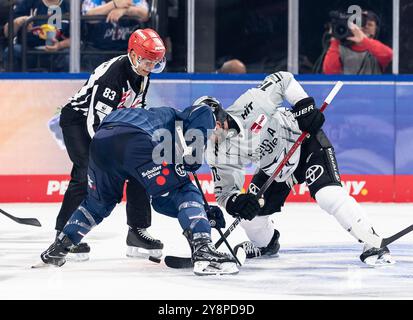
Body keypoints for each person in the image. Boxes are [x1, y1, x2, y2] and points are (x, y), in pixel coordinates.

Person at [204, 71, 394, 266]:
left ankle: (372, 240)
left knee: (328, 195)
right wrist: (237, 202)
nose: (214, 132)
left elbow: (283, 79)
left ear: (220, 114)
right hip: (274, 170)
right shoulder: (217, 153)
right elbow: (225, 193)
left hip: (306, 143)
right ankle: (267, 244)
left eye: (214, 124)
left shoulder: (252, 102)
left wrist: (304, 106)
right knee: (248, 219)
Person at [39, 103, 237, 276]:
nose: (219, 138)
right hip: (135, 138)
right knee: (185, 190)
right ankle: (203, 249)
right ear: (219, 123)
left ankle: (59, 247)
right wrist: (193, 161)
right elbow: (201, 118)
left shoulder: (162, 126)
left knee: (97, 203)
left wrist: (200, 212)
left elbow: (161, 200)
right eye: (225, 131)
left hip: (102, 141)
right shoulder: (204, 112)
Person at [56, 28, 166, 261]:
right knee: (86, 170)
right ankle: (63, 236)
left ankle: (137, 230)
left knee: (142, 167)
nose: (150, 67)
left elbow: (137, 110)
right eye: (147, 61)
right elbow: (94, 122)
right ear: (134, 55)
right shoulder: (113, 76)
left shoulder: (142, 72)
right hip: (78, 122)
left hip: (112, 125)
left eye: (154, 62)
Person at [81, 0, 150, 71]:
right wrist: (114, 4)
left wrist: (125, 10)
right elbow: (87, 15)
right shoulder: (94, 1)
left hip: (127, 51)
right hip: (98, 50)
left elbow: (145, 14)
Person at [3, 0, 70, 72]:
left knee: (69, 58)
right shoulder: (27, 3)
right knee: (12, 51)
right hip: (29, 51)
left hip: (58, 53)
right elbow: (7, 33)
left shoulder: (69, 5)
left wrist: (59, 45)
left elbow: (78, 39)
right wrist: (19, 22)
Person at [322, 10, 393, 75]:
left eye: (370, 24)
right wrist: (336, 37)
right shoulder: (340, 48)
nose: (365, 27)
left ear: (376, 30)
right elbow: (329, 72)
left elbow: (389, 55)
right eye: (361, 23)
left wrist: (364, 40)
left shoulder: (377, 51)